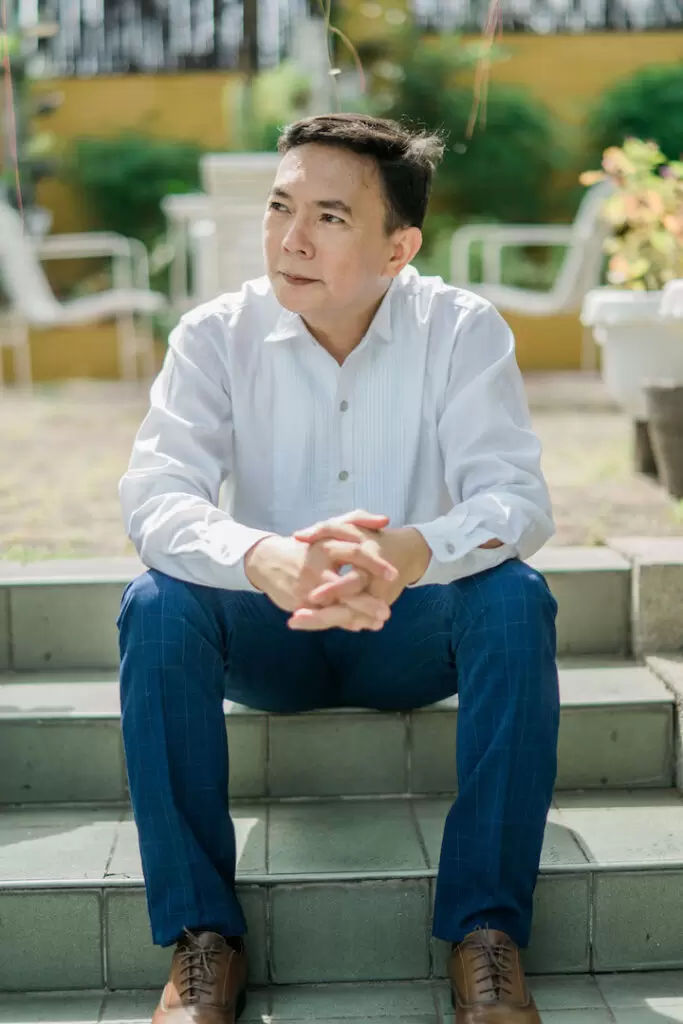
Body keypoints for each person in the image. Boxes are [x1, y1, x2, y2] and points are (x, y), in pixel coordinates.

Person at [118, 112, 559, 1024]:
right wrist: (264, 556)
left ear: (399, 247)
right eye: (281, 207)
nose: (291, 239)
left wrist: (410, 552)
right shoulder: (214, 334)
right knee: (156, 603)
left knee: (515, 596)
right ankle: (202, 940)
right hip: (268, 633)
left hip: (410, 630)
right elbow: (156, 498)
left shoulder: (461, 328)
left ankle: (484, 932)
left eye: (329, 217)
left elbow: (515, 499)